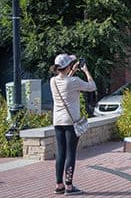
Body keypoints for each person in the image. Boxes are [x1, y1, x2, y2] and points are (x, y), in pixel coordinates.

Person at [50, 53, 96, 196]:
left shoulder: (53, 81)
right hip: (71, 122)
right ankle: (69, 186)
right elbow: (92, 86)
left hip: (58, 122)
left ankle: (59, 185)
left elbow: (65, 82)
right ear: (67, 66)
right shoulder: (74, 81)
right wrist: (86, 71)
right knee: (71, 153)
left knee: (61, 153)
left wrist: (72, 71)